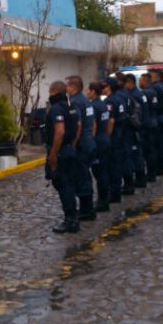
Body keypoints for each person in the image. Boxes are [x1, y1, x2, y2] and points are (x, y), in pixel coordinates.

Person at [45, 80, 81, 233]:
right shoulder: (71, 106)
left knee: (63, 185)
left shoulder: (56, 108)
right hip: (69, 150)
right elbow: (78, 126)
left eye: (50, 92)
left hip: (60, 152)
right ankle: (73, 217)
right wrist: (72, 144)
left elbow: (59, 132)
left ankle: (70, 220)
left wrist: (53, 154)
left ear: (54, 91)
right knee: (69, 185)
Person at [66, 75, 97, 221]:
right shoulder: (86, 100)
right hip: (89, 141)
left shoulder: (76, 102)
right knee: (85, 175)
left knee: (81, 177)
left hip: (81, 145)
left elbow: (77, 125)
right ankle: (88, 207)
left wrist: (73, 144)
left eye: (68, 86)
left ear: (73, 87)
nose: (66, 89)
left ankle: (86, 210)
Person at [87, 81, 112, 212]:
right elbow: (108, 123)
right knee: (104, 171)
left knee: (99, 172)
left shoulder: (93, 106)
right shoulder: (103, 105)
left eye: (88, 90)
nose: (87, 93)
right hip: (105, 139)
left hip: (98, 142)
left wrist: (91, 142)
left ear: (93, 91)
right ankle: (105, 198)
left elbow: (94, 126)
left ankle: (102, 201)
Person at [102, 77, 127, 203]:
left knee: (112, 168)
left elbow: (111, 121)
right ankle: (116, 192)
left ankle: (114, 194)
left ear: (110, 87)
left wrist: (107, 137)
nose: (102, 89)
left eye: (104, 86)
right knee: (117, 166)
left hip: (114, 138)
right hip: (121, 136)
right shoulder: (120, 99)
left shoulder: (110, 102)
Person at [124, 73, 148, 188]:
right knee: (138, 154)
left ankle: (140, 178)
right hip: (141, 127)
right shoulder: (138, 94)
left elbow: (136, 115)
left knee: (137, 155)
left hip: (136, 129)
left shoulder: (134, 95)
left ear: (130, 83)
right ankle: (140, 177)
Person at [150, 69, 163, 175]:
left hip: (157, 117)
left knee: (157, 145)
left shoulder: (154, 88)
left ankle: (159, 168)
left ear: (155, 76)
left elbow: (154, 105)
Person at [139, 73, 159, 184]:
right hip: (153, 121)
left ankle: (151, 174)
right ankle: (152, 173)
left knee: (148, 151)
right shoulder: (153, 91)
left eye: (140, 81)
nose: (139, 83)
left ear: (145, 81)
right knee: (152, 150)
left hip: (147, 125)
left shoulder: (145, 93)